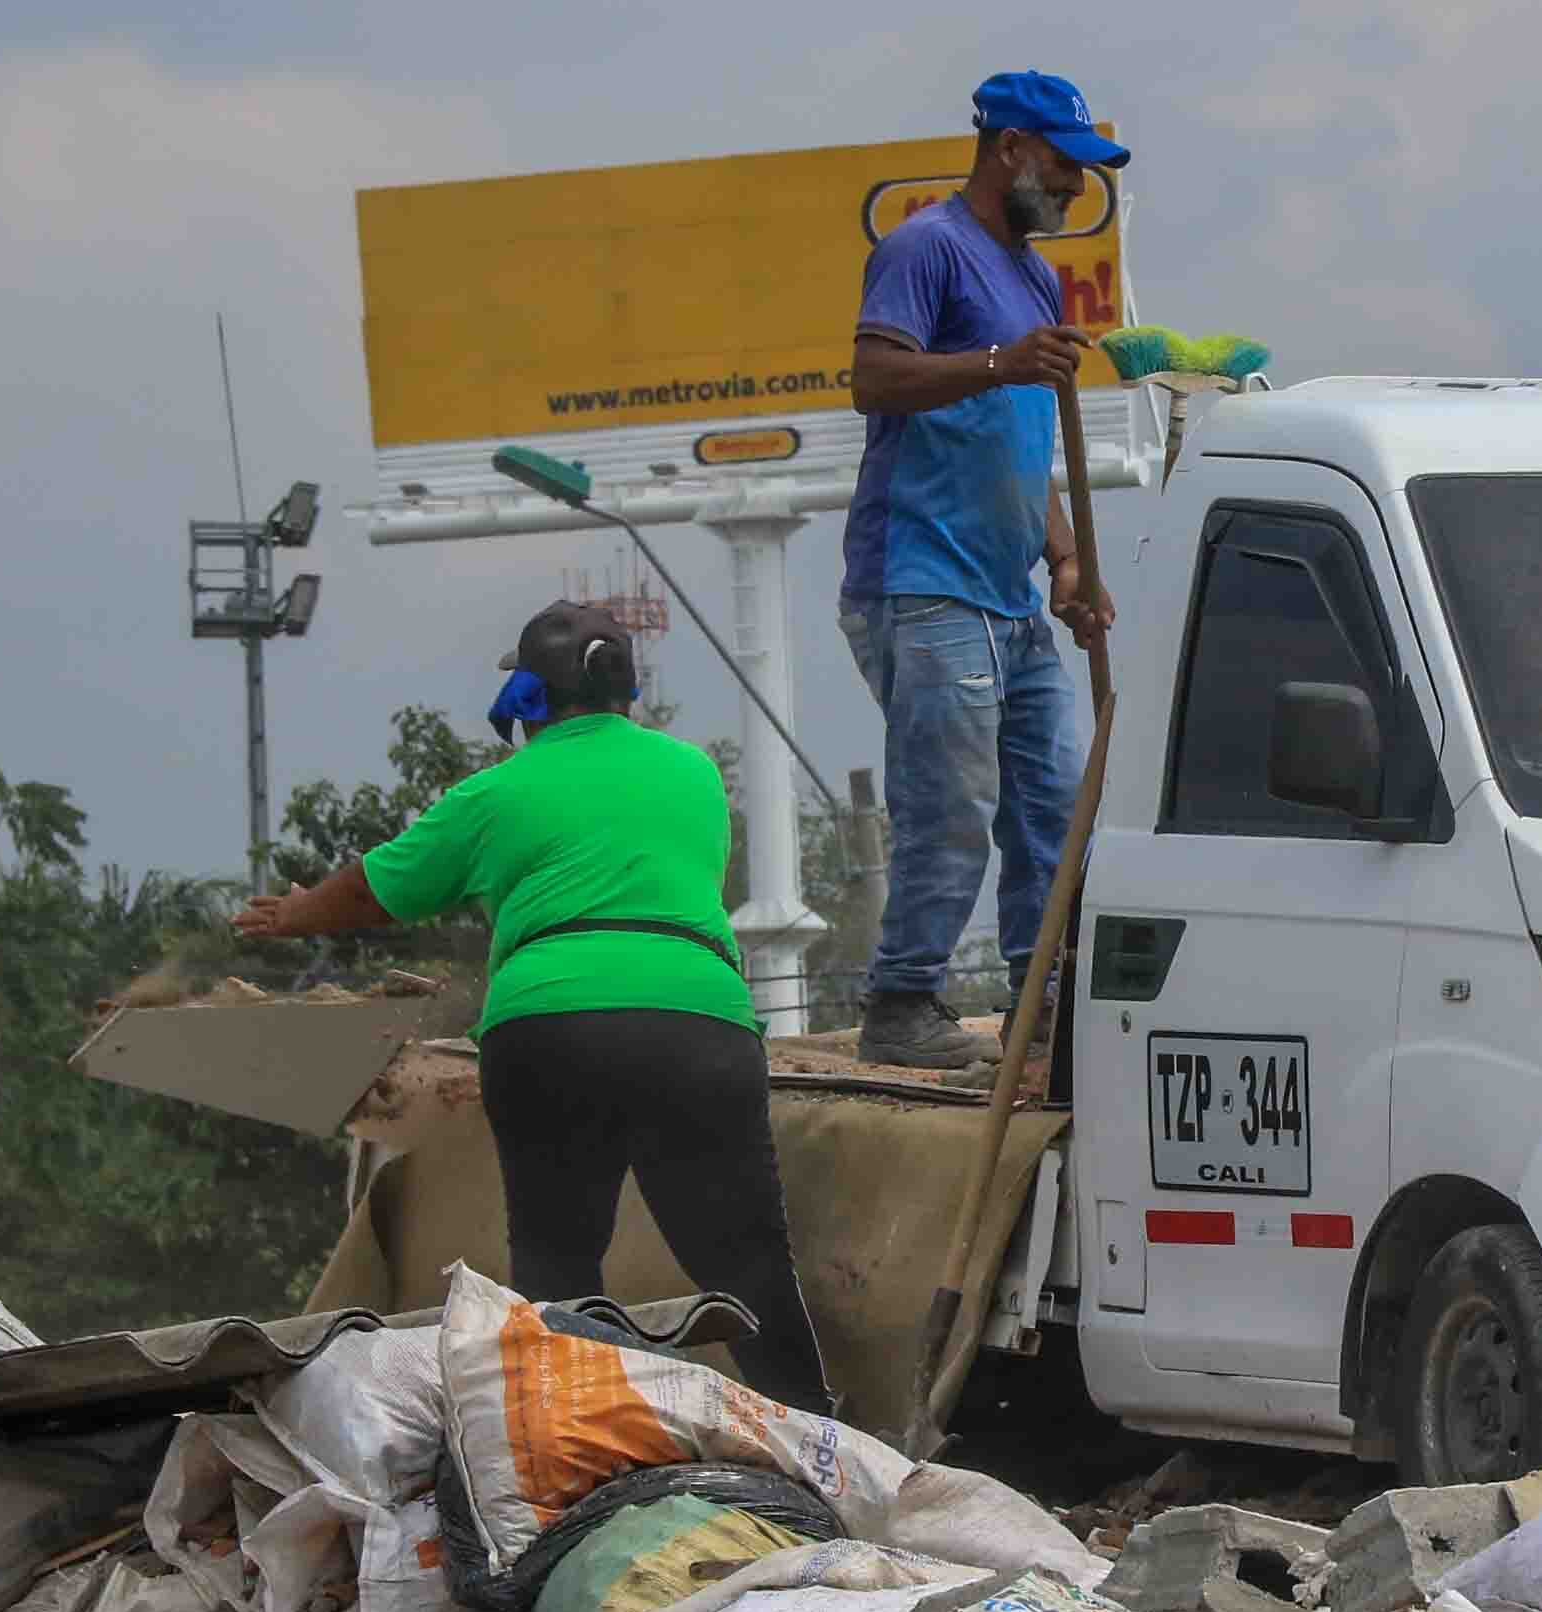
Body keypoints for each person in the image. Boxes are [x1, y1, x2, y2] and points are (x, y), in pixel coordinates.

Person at [233, 601, 836, 1416]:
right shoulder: (694, 773)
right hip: (698, 1023)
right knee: (747, 1259)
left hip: (548, 1032)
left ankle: (570, 1452)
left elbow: (381, 889)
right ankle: (820, 1440)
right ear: (625, 687)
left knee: (559, 1263)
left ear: (525, 698)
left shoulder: (494, 794)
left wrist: (296, 912)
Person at [838, 69, 1125, 1069]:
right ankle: (902, 1004)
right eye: (1063, 163)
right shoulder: (926, 248)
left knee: (1055, 801)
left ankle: (1040, 1000)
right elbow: (875, 377)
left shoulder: (1035, 278)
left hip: (1007, 593)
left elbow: (1017, 444)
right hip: (922, 581)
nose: (1078, 187)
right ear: (1009, 149)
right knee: (951, 805)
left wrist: (1067, 555)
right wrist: (1000, 360)